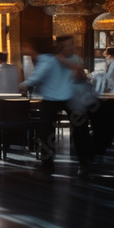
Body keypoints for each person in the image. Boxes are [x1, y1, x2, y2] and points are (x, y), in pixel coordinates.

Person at [20, 36, 92, 171]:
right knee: (80, 130)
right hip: (69, 96)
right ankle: (84, 161)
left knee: (45, 131)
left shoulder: (46, 59)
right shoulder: (68, 58)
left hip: (51, 98)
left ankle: (47, 164)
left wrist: (24, 84)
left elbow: (39, 75)